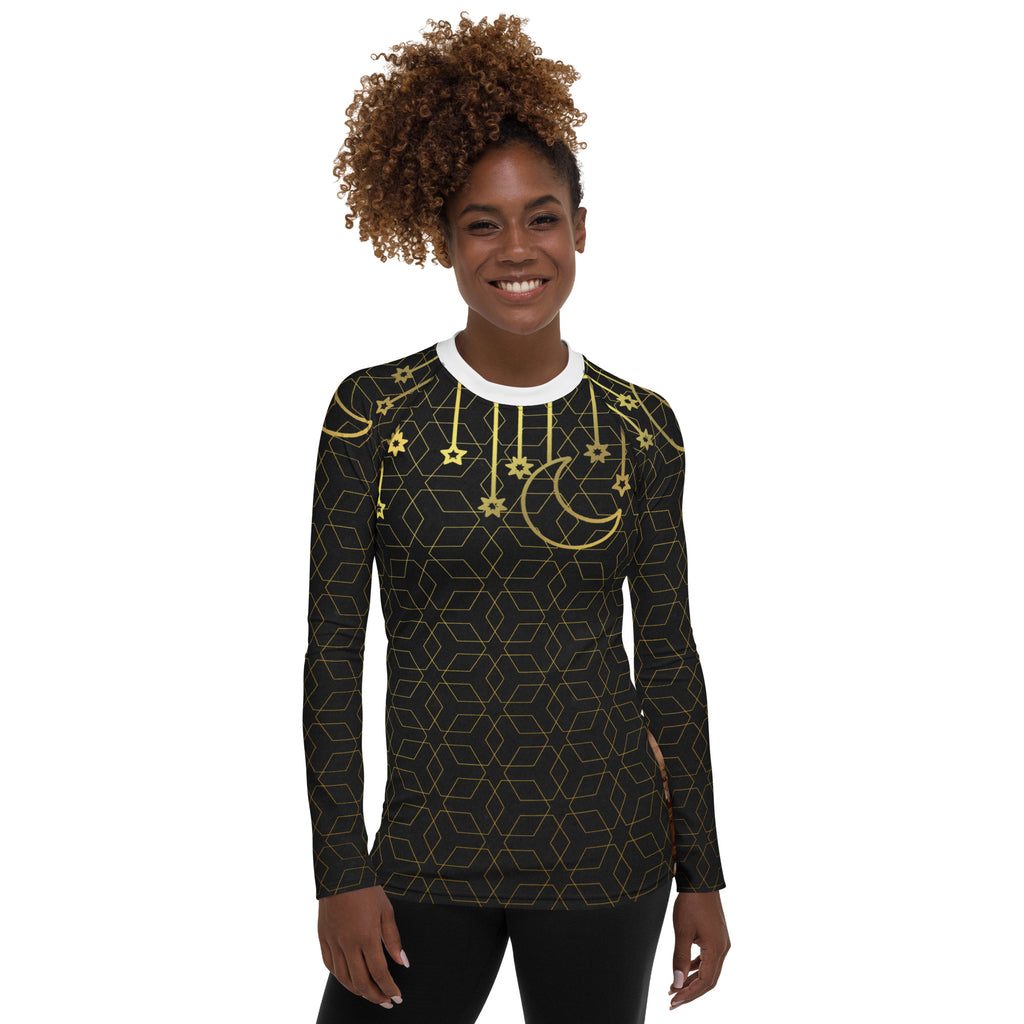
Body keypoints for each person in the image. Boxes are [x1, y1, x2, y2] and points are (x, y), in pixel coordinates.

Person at [303, 14, 731, 1023]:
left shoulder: (640, 425)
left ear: (580, 228)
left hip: (608, 852)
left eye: (541, 218)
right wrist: (339, 872)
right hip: (422, 854)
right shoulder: (372, 413)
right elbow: (332, 655)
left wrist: (703, 873)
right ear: (442, 240)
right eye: (482, 225)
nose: (516, 250)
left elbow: (669, 657)